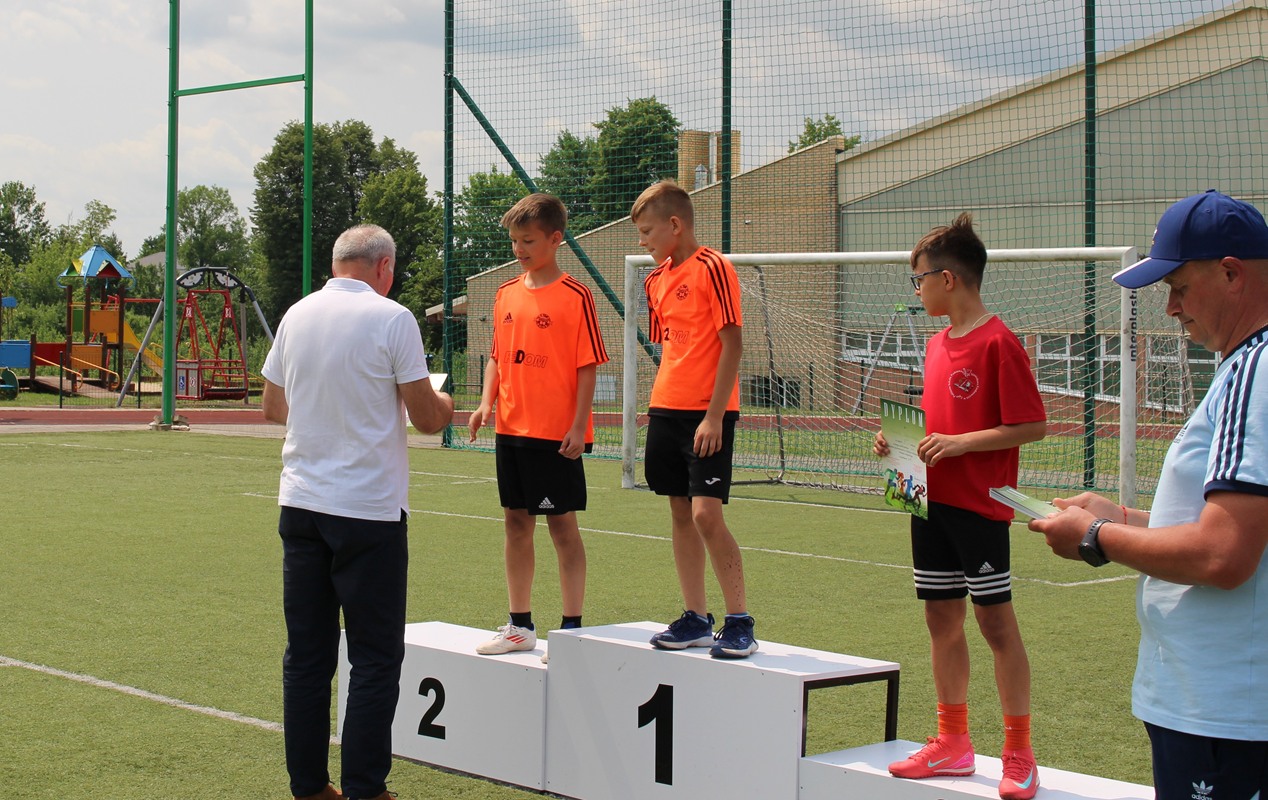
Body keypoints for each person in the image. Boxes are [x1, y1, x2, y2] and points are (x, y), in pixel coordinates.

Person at [1030, 190, 1268, 799]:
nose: (1170, 307)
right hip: (1221, 707)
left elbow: (1223, 555)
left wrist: (1096, 537)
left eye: (1179, 288)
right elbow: (1227, 524)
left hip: (1226, 713)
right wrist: (1125, 517)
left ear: (1231, 274)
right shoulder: (1242, 365)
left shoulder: (1256, 371)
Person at [261, 224, 454, 800]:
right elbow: (427, 418)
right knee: (373, 658)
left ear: (337, 262)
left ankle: (309, 786)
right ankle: (366, 788)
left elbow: (273, 407)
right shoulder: (393, 318)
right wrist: (446, 401)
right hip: (367, 509)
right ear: (384, 266)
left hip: (301, 502)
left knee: (307, 656)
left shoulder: (297, 314)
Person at [873, 212, 1047, 799]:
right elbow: (937, 422)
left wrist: (961, 443)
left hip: (980, 508)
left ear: (947, 279)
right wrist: (897, 441)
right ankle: (953, 743)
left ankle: (1019, 753)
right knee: (940, 620)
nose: (916, 289)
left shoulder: (999, 342)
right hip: (928, 500)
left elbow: (1032, 425)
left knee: (996, 624)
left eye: (919, 278)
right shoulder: (935, 344)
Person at [467, 193, 609, 659]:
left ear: (555, 238)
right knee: (515, 524)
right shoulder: (505, 293)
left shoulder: (576, 295)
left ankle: (571, 631)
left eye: (528, 240)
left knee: (562, 528)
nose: (519, 249)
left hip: (555, 435)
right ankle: (520, 626)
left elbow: (587, 366)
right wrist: (485, 404)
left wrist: (578, 426)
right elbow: (497, 357)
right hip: (511, 430)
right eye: (514, 240)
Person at [631, 180, 758, 659]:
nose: (643, 240)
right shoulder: (654, 281)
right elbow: (671, 347)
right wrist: (657, 407)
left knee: (706, 513)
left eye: (647, 231)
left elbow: (732, 345)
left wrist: (714, 416)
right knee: (680, 513)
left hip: (708, 414)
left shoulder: (715, 267)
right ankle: (696, 618)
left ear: (675, 224)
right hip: (666, 409)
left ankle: (740, 621)